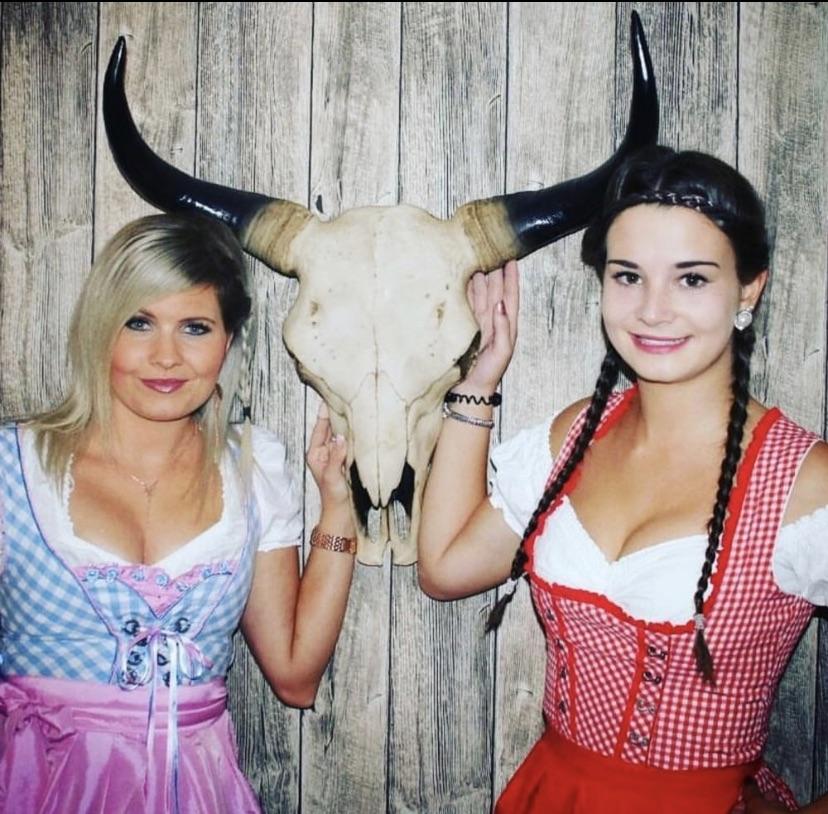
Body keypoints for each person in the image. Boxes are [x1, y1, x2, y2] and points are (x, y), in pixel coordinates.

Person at [418, 146, 828, 813]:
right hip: (550, 793)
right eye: (628, 276)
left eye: (691, 279)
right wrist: (479, 380)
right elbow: (444, 568)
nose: (652, 310)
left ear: (749, 288)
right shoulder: (577, 433)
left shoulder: (806, 485)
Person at [0, 213, 357, 813]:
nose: (165, 357)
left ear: (227, 342)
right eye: (139, 323)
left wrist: (339, 513)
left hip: (196, 793)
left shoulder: (253, 470)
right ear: (100, 329)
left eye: (194, 328)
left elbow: (296, 678)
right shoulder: (13, 466)